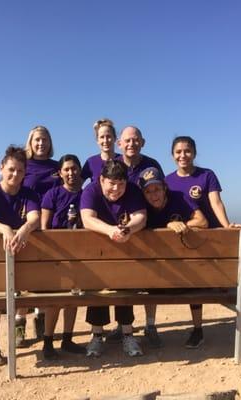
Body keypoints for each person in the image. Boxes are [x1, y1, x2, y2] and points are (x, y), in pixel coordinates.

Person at [165, 135, 241, 348]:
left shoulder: (207, 175)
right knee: (196, 282)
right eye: (178, 152)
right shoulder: (168, 181)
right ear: (172, 155)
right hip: (185, 237)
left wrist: (226, 225)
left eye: (187, 151)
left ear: (194, 152)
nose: (182, 155)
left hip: (209, 235)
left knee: (206, 280)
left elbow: (216, 203)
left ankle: (221, 303)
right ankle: (198, 328)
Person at [0, 146, 40, 365]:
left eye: (20, 171)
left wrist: (24, 229)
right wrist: (5, 229)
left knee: (23, 283)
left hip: (22, 260)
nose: (15, 175)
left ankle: (14, 330)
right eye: (11, 169)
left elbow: (34, 218)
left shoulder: (29, 194)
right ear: (1, 168)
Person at [80, 159, 147, 357]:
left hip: (125, 251)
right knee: (98, 287)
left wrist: (128, 229)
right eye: (112, 183)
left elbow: (140, 217)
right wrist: (110, 231)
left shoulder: (133, 191)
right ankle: (97, 335)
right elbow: (87, 218)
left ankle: (127, 334)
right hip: (97, 253)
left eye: (121, 184)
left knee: (125, 284)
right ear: (101, 180)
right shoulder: (91, 190)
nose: (116, 189)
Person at [107, 125, 165, 347]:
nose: (131, 144)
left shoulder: (152, 164)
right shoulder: (114, 165)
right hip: (121, 228)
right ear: (119, 143)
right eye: (127, 140)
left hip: (149, 226)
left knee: (151, 279)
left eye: (135, 140)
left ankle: (150, 325)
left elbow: (161, 191)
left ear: (143, 142)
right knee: (123, 277)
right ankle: (123, 326)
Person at [138, 166, 208, 346]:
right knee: (148, 277)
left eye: (157, 189)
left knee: (194, 277)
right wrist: (168, 226)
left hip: (184, 273)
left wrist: (181, 224)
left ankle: (198, 329)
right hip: (157, 273)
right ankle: (151, 327)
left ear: (164, 188)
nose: (154, 195)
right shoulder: (141, 207)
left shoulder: (179, 197)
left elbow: (202, 221)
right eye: (148, 191)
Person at [16, 125, 60, 346]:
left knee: (46, 277)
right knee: (24, 277)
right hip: (26, 224)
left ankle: (41, 319)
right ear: (30, 142)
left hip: (50, 227)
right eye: (37, 140)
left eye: (44, 140)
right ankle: (19, 324)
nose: (41, 143)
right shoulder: (23, 165)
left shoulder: (57, 166)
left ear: (50, 142)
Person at [39, 154, 86, 359]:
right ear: (60, 173)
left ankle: (67, 338)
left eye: (74, 168)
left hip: (79, 254)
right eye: (66, 169)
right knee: (55, 301)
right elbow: (44, 227)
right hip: (57, 255)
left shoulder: (86, 194)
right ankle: (48, 341)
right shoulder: (52, 194)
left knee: (73, 299)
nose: (71, 172)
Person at [81, 118, 120, 183]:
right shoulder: (91, 162)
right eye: (102, 137)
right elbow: (77, 185)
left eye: (108, 136)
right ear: (97, 140)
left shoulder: (123, 160)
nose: (105, 140)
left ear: (115, 138)